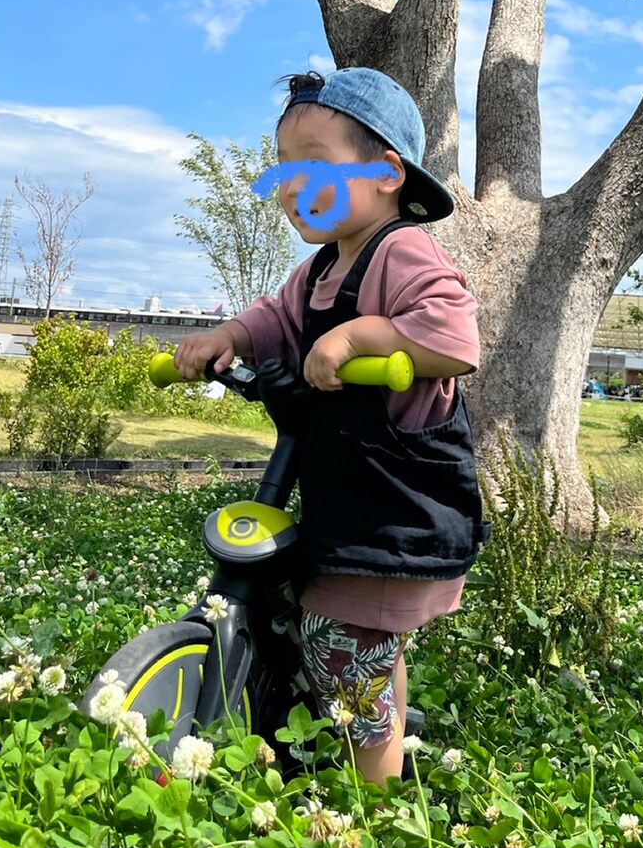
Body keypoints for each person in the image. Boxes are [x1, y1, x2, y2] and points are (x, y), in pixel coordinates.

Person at [173, 67, 486, 784]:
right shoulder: (317, 269)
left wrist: (363, 336)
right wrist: (232, 336)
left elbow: (453, 337)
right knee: (352, 637)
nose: (288, 183)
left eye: (312, 162)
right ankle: (368, 739)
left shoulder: (402, 252)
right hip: (346, 507)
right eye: (282, 167)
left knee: (345, 642)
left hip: (396, 513)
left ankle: (374, 804)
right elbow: (275, 320)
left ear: (385, 174)